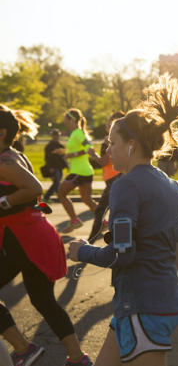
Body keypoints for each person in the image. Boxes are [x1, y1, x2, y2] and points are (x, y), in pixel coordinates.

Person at [68, 74, 178, 365]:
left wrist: (81, 251)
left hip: (144, 305)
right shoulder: (167, 181)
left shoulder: (126, 184)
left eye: (112, 142)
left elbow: (123, 253)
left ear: (132, 145)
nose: (107, 150)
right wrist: (161, 233)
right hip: (148, 302)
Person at [0, 107, 94, 365]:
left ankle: (23, 348)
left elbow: (34, 188)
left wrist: (3, 203)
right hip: (33, 235)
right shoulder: (14, 155)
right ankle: (77, 358)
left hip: (23, 239)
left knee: (43, 300)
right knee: (43, 300)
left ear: (2, 132)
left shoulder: (5, 162)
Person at [86, 111, 125, 242]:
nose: (107, 124)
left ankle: (91, 241)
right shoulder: (121, 138)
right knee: (117, 211)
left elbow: (103, 161)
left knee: (100, 211)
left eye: (109, 122)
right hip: (117, 177)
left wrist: (92, 154)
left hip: (115, 178)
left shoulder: (107, 140)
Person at [59, 108, 98, 234]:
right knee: (87, 200)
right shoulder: (77, 133)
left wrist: (72, 155)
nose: (64, 122)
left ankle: (74, 220)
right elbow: (82, 149)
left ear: (72, 120)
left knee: (61, 193)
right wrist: (66, 154)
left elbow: (89, 147)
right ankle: (104, 222)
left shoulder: (78, 133)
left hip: (79, 172)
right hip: (85, 171)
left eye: (65, 119)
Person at [43, 128, 68, 202]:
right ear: (52, 136)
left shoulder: (60, 145)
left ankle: (47, 197)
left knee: (57, 181)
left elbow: (64, 157)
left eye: (57, 135)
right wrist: (50, 167)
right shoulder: (49, 146)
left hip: (59, 166)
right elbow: (47, 158)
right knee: (57, 182)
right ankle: (59, 196)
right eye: (54, 135)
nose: (55, 136)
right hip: (53, 166)